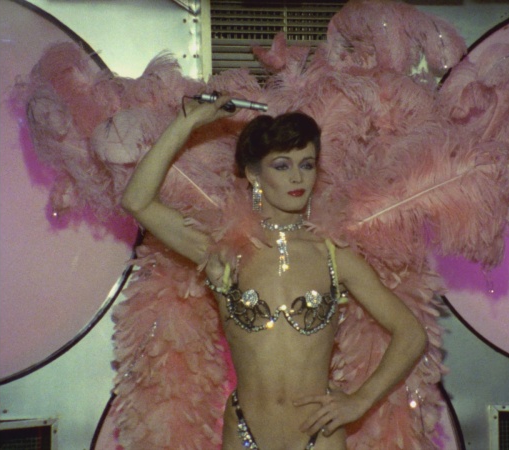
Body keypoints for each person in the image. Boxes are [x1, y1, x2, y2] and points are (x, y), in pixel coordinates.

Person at [121, 94, 428, 450]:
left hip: (320, 438)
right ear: (254, 175)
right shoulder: (221, 250)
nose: (298, 177)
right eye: (282, 166)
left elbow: (411, 333)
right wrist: (187, 122)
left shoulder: (334, 256)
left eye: (307, 164)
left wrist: (360, 401)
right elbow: (137, 201)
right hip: (246, 434)